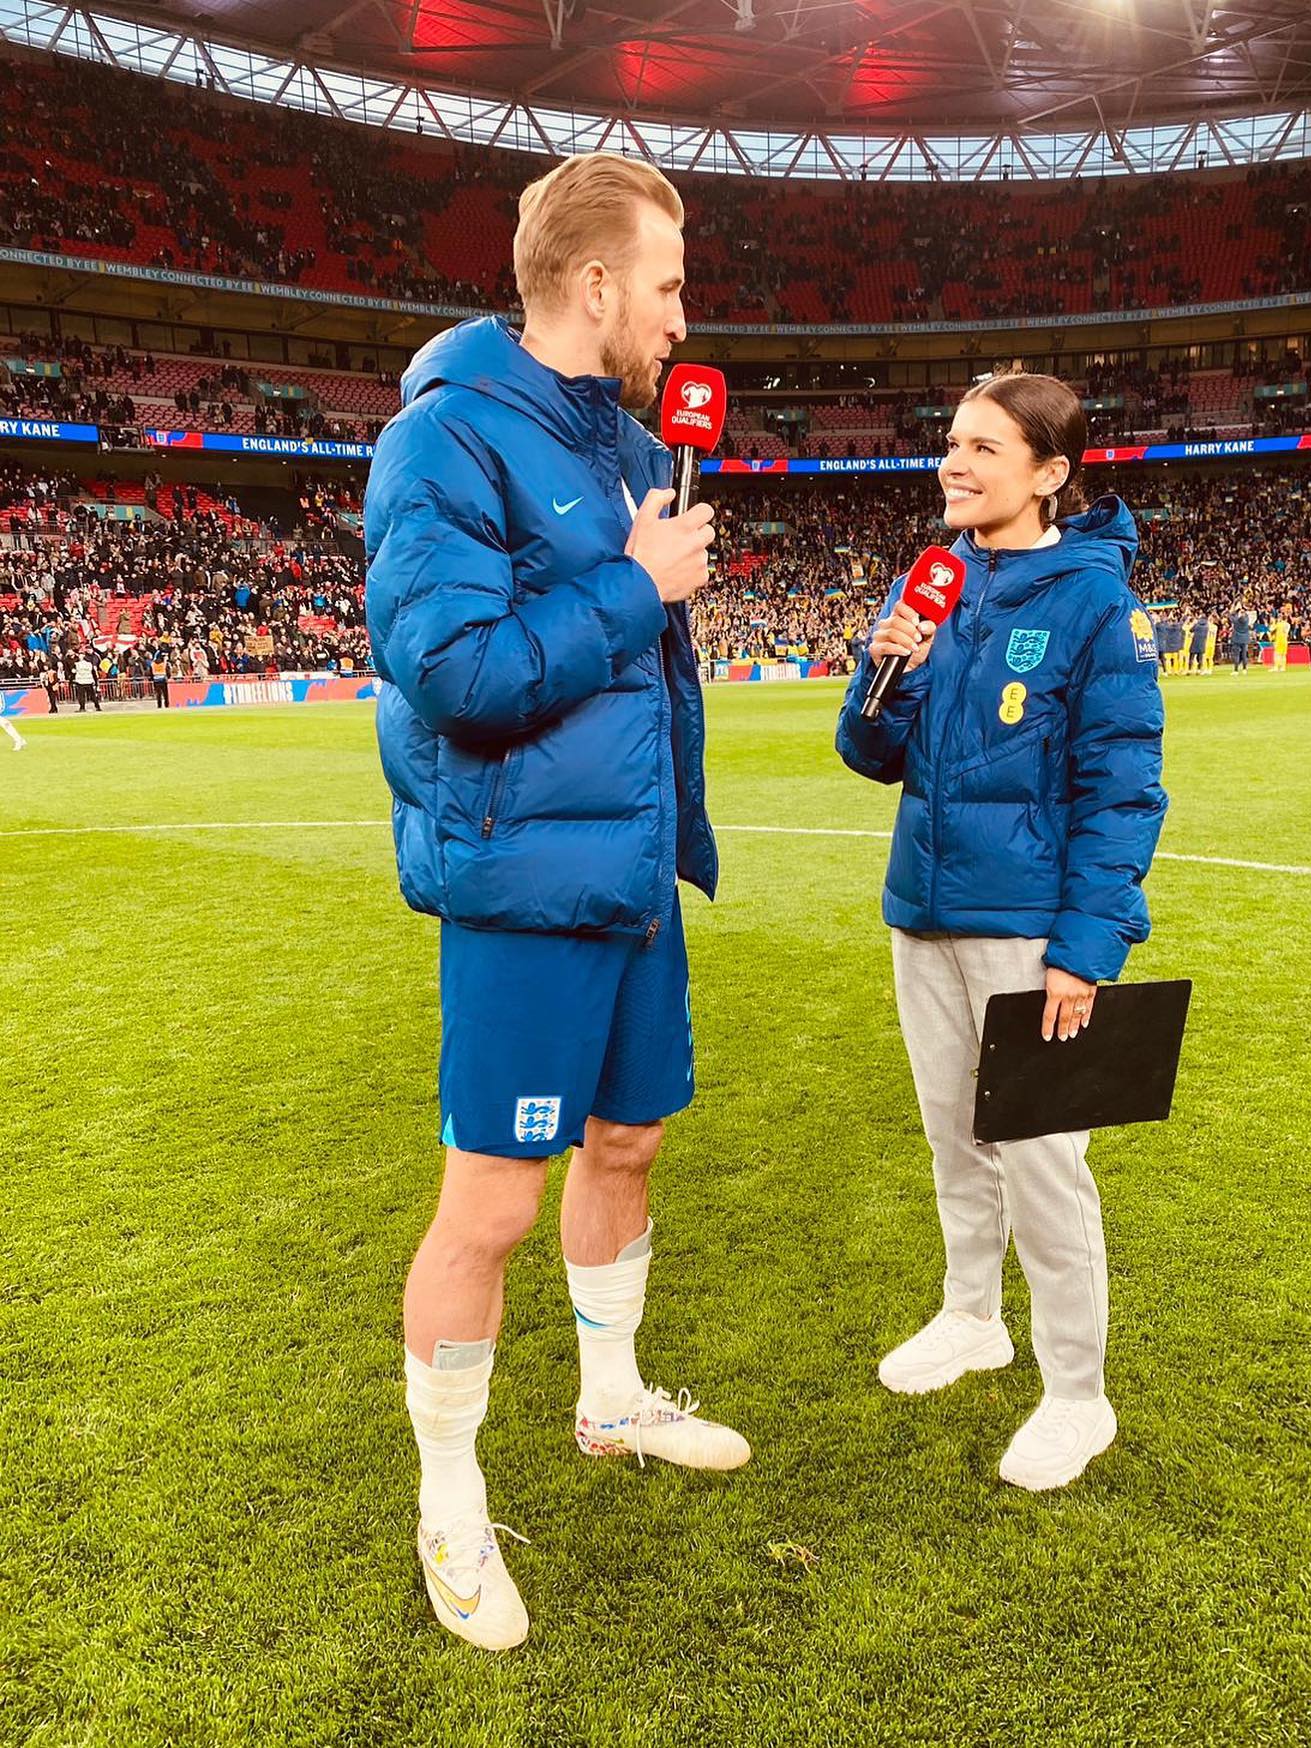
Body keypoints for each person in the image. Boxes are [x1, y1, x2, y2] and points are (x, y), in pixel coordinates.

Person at [364, 151, 745, 1656]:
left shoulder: (613, 442)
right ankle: (447, 1499)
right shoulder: (448, 437)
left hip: (629, 869)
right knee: (492, 1203)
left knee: (633, 1142)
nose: (678, 314)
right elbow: (455, 675)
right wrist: (635, 586)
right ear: (593, 286)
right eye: (664, 285)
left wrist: (643, 580)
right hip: (526, 881)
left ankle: (607, 1401)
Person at [836, 369, 1167, 1493]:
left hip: (1028, 928)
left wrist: (1085, 947)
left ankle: (1079, 1392)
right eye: (951, 442)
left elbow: (1123, 788)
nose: (954, 464)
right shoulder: (934, 579)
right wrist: (882, 673)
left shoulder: (1094, 602)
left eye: (983, 447)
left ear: (1050, 473)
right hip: (921, 910)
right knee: (953, 1138)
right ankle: (973, 1315)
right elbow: (871, 755)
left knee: (1043, 1163)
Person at [1229, 600, 1253, 672]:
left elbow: (1230, 615)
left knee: (1236, 655)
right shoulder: (1247, 619)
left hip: (1237, 639)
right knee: (1244, 654)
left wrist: (1234, 607)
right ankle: (1244, 669)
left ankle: (1236, 670)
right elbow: (1246, 615)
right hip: (1245, 639)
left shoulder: (1236, 620)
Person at [1269, 607, 1291, 671]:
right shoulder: (1287, 625)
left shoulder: (1279, 624)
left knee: (1277, 654)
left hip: (1278, 640)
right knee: (1283, 655)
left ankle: (1276, 667)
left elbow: (1271, 629)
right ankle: (1283, 668)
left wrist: (1273, 622)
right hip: (1285, 641)